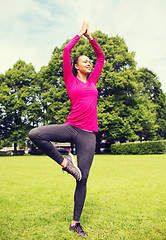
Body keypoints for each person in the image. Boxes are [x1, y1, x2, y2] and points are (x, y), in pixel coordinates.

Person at [28, 22, 105, 238]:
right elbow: (66, 51)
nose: (89, 63)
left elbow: (101, 58)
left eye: (89, 61)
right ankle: (65, 163)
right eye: (85, 61)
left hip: (88, 134)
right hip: (71, 127)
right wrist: (79, 34)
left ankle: (75, 223)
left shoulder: (92, 81)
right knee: (36, 134)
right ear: (77, 66)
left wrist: (91, 38)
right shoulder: (70, 80)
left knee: (83, 178)